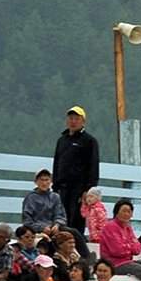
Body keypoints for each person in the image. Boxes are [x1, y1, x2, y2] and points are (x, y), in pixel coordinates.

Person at [53, 108, 102, 255]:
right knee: (61, 219)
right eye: (70, 118)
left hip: (80, 188)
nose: (73, 121)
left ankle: (78, 252)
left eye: (76, 118)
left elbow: (93, 165)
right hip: (62, 187)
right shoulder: (62, 140)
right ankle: (61, 249)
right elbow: (57, 163)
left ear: (83, 121)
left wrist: (89, 189)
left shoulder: (89, 141)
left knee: (76, 221)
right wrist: (54, 185)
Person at [23, 169, 67, 233]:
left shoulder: (55, 197)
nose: (44, 183)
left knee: (74, 232)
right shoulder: (30, 197)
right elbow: (27, 220)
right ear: (36, 182)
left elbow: (60, 215)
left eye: (46, 180)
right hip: (35, 229)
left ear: (50, 181)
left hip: (53, 228)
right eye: (41, 180)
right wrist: (41, 228)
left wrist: (57, 225)